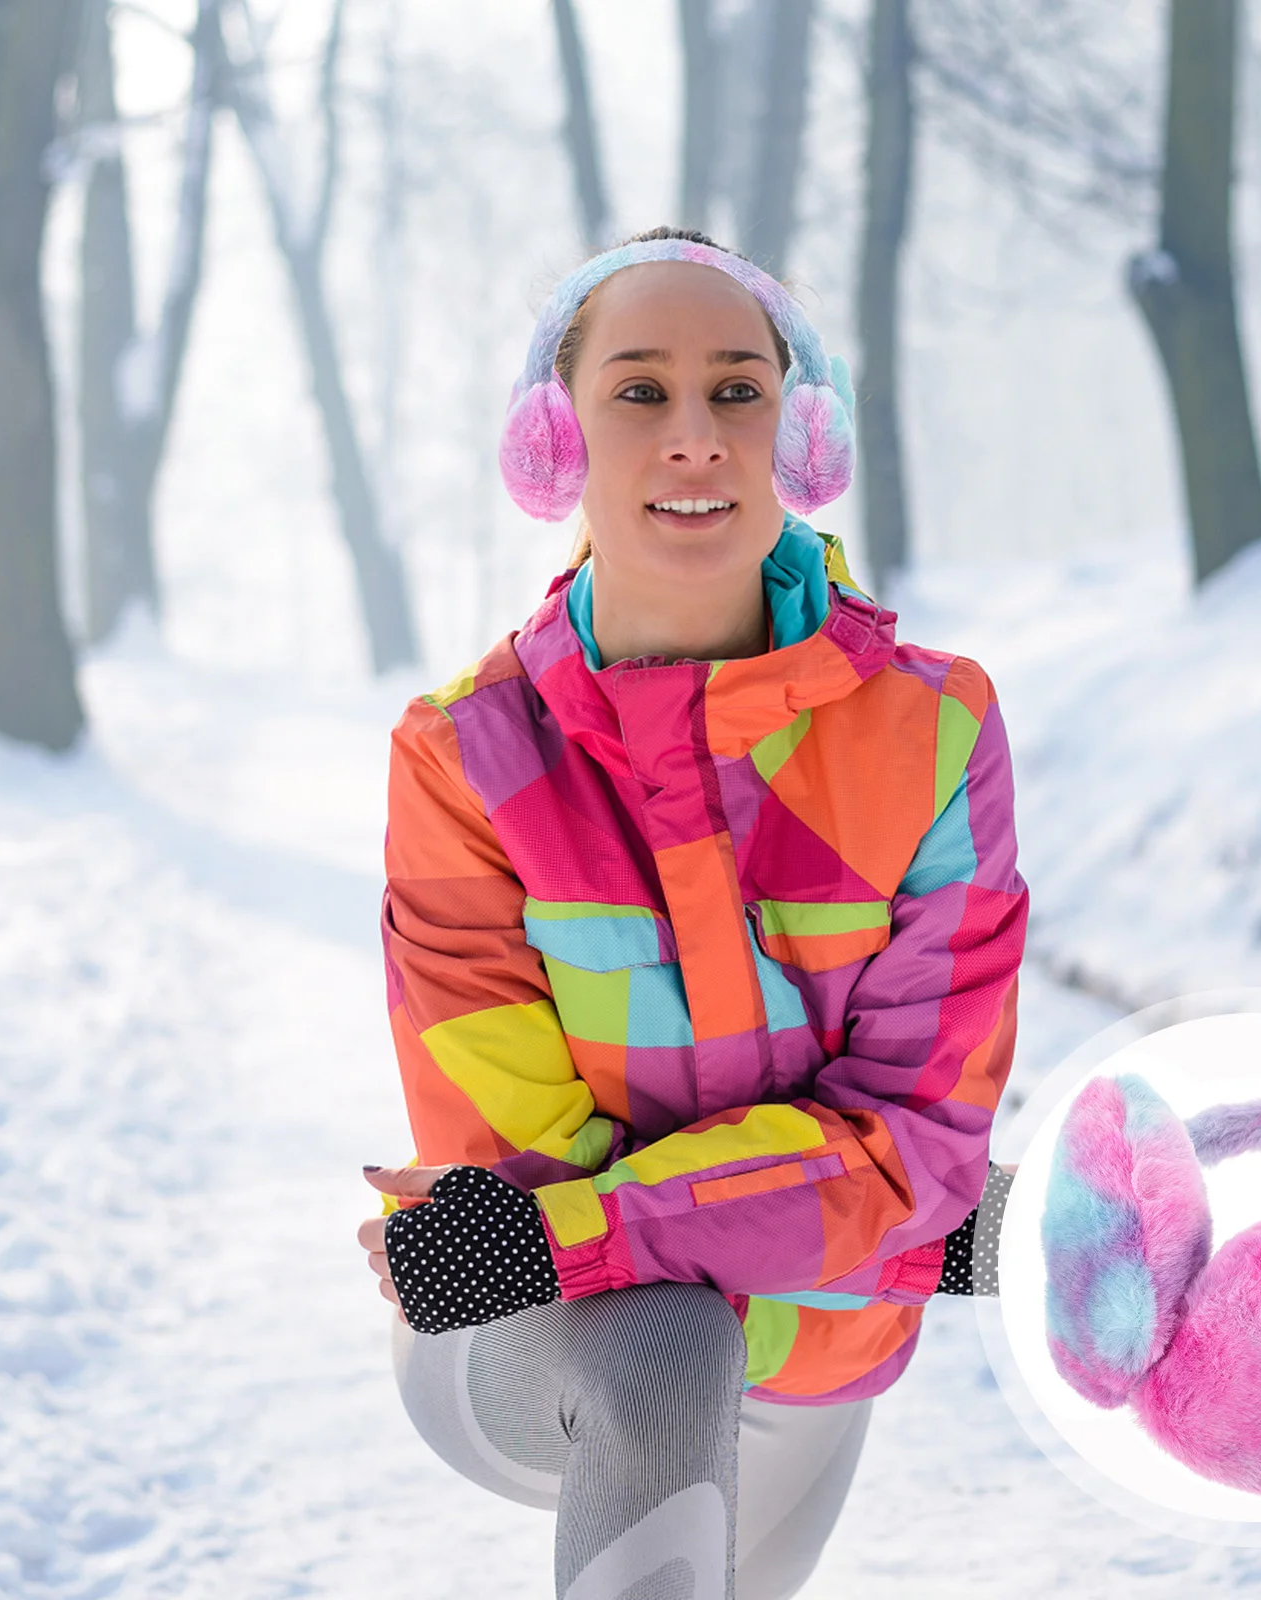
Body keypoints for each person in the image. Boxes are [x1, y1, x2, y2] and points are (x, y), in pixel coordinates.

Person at [356, 226, 1029, 1600]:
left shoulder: (937, 729)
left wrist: (929, 1204)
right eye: (639, 391)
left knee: (1119, 1221)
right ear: (558, 441)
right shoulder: (464, 757)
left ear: (801, 432)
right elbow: (522, 1199)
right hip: (550, 1338)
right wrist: (901, 1224)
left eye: (737, 390)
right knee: (670, 1339)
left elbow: (916, 1136)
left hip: (821, 1358)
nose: (694, 437)